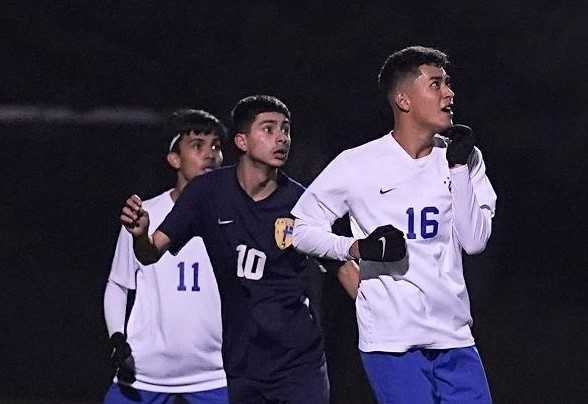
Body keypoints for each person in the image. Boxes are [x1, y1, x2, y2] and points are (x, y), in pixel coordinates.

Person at [291, 46, 497, 403]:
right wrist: (356, 248)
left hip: (454, 336)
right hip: (391, 341)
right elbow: (298, 229)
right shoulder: (357, 164)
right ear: (403, 100)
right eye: (435, 84)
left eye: (448, 83)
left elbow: (474, 241)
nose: (449, 93)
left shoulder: (464, 156)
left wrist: (459, 168)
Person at [120, 95, 329, 404]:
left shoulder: (302, 202)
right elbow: (150, 253)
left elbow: (342, 264)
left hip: (299, 359)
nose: (282, 138)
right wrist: (140, 234)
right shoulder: (207, 193)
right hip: (241, 359)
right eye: (269, 129)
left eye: (285, 129)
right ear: (242, 141)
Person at [104, 109, 228, 403]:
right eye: (197, 145)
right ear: (174, 159)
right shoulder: (144, 214)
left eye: (216, 146)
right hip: (146, 371)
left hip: (215, 372)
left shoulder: (236, 214)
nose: (210, 154)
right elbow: (118, 284)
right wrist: (117, 339)